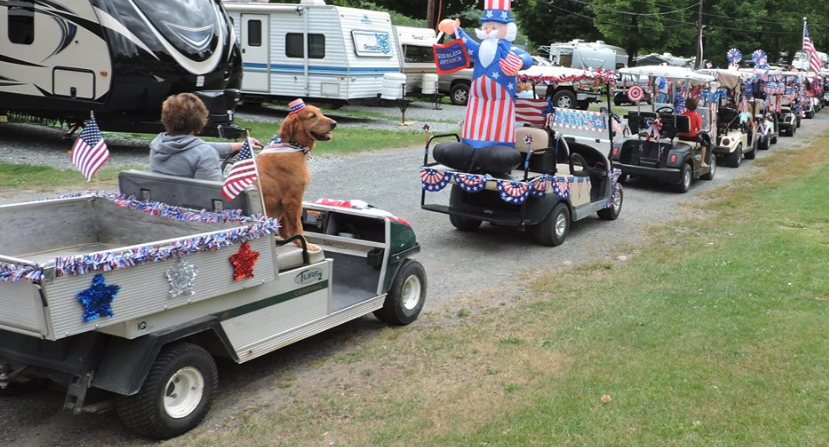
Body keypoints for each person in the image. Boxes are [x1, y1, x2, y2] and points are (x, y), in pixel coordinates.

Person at [438, 0, 533, 149]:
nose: (488, 30)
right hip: (477, 98)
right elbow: (467, 45)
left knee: (498, 124)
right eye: (486, 27)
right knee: (474, 121)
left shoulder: (508, 50)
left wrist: (520, 62)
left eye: (493, 27)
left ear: (507, 29)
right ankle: (470, 144)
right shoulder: (481, 48)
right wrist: (456, 31)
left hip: (502, 98)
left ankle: (499, 147)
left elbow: (527, 58)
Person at [150, 93, 260, 181]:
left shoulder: (158, 145)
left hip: (163, 207)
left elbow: (194, 148)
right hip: (192, 208)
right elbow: (213, 196)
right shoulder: (204, 154)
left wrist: (239, 146)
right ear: (200, 122)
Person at [677, 97, 711, 167]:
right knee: (704, 143)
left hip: (681, 136)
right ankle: (702, 162)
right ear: (696, 107)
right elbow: (699, 129)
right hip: (691, 137)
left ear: (686, 106)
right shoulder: (697, 116)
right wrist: (699, 133)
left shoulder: (682, 114)